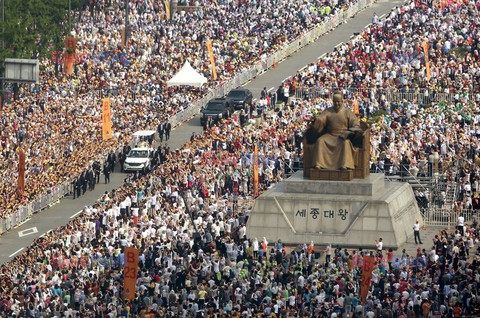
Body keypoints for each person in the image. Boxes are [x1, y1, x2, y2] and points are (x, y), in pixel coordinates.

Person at [310, 91, 363, 170]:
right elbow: (321, 119)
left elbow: (356, 124)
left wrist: (349, 131)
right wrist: (316, 119)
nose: (336, 104)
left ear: (342, 101)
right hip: (330, 134)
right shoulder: (328, 111)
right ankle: (319, 164)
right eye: (335, 102)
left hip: (343, 135)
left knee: (346, 143)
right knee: (320, 141)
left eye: (338, 102)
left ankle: (344, 165)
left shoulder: (347, 112)